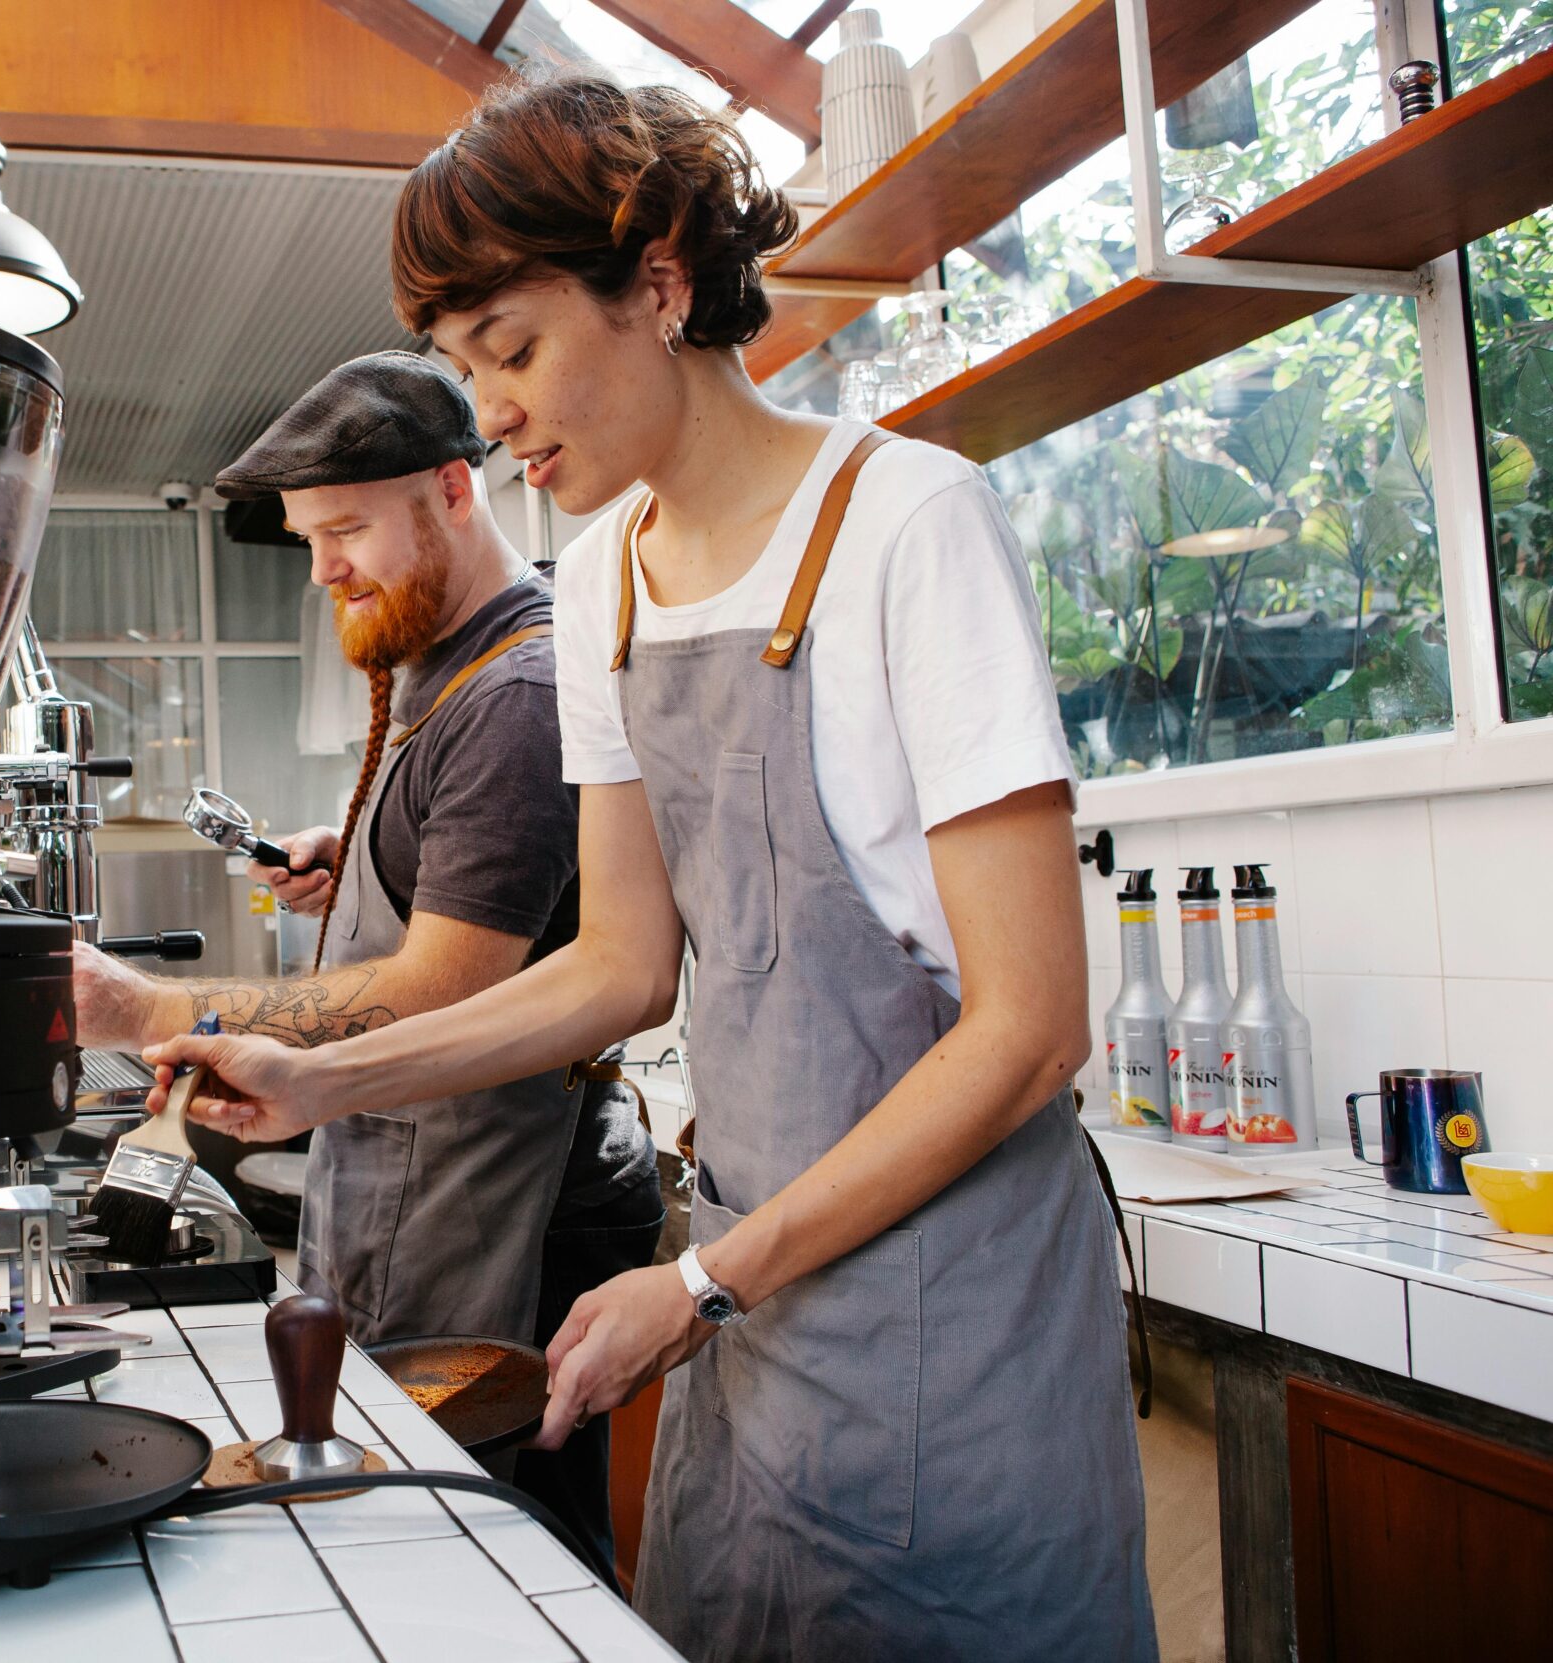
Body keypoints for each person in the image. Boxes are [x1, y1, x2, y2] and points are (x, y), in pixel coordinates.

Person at [140, 78, 1156, 1663]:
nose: (491, 413)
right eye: (467, 368)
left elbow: (1030, 1028)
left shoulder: (908, 525)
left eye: (517, 350)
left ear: (662, 282)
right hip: (750, 1296)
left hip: (948, 1307)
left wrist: (704, 1282)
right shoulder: (601, 571)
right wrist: (324, 1079)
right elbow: (620, 964)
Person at [70, 350, 659, 1578]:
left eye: (343, 528)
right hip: (416, 1184)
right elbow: (480, 905)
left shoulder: (517, 690)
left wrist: (146, 1006)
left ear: (454, 489)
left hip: (506, 1202)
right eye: (306, 538)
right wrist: (366, 868)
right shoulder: (443, 666)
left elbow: (444, 983)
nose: (324, 565)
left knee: (511, 1554)